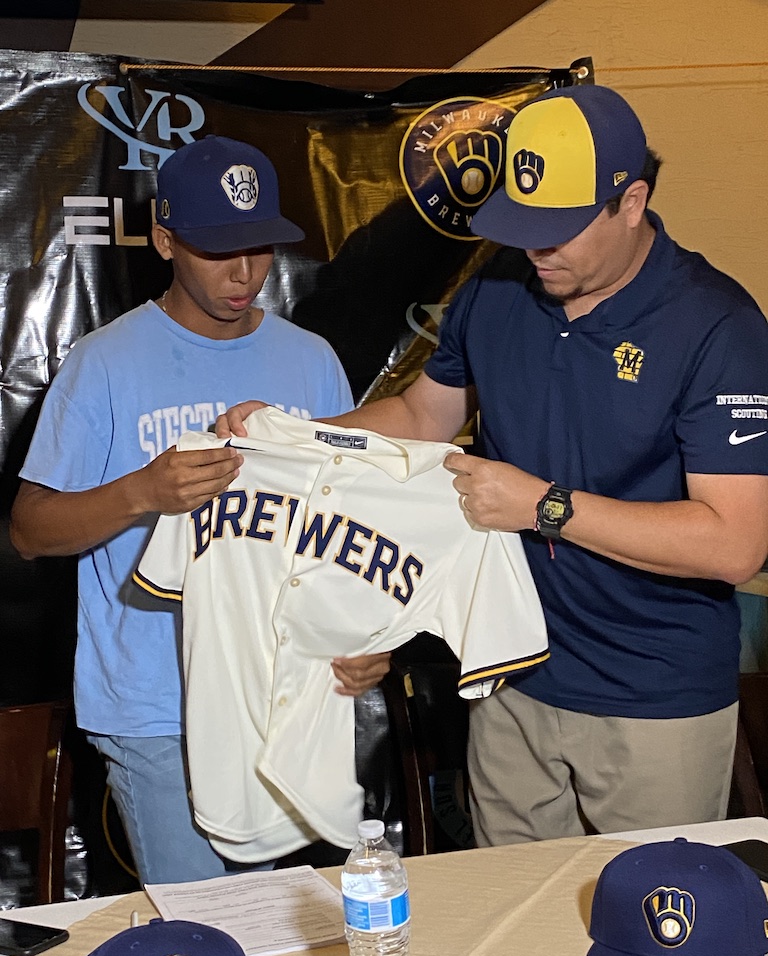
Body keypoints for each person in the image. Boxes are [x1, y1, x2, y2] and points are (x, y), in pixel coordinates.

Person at [218, 85, 768, 845]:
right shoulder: (499, 288)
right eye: (522, 226)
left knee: (646, 912)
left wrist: (545, 507)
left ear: (632, 203)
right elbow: (422, 417)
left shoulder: (719, 326)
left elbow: (735, 543)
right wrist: (290, 437)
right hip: (508, 665)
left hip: (653, 696)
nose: (537, 251)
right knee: (504, 906)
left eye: (559, 230)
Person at [10, 135, 389, 884]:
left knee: (275, 921)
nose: (244, 272)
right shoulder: (105, 363)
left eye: (260, 247)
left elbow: (351, 526)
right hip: (158, 704)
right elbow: (29, 530)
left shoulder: (311, 361)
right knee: (206, 923)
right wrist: (142, 493)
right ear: (165, 241)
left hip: (282, 698)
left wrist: (368, 634)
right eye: (219, 249)